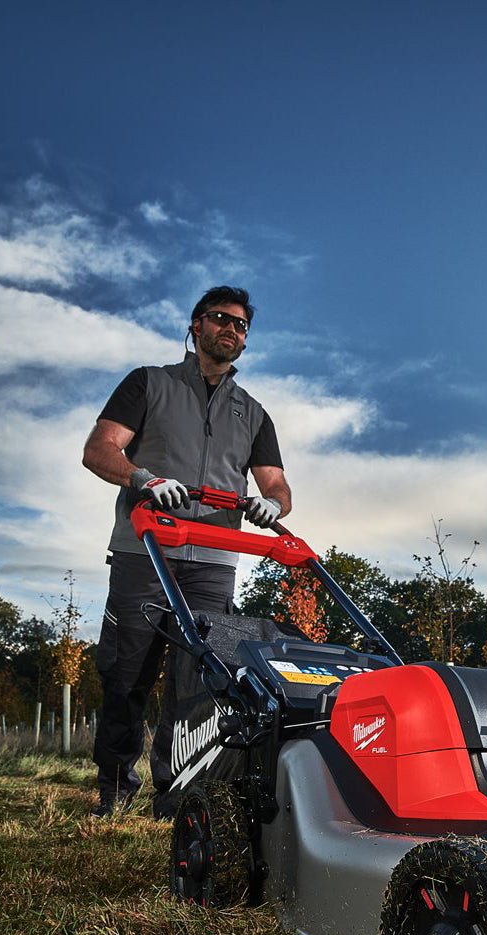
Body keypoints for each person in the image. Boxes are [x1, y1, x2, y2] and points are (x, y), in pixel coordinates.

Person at [82, 285, 291, 817]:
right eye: (221, 318)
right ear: (196, 325)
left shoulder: (254, 413)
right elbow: (100, 449)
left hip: (215, 559)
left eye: (241, 325)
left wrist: (271, 504)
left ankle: (178, 797)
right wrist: (143, 478)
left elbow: (276, 485)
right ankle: (115, 790)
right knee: (127, 671)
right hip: (146, 548)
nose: (231, 329)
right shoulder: (149, 383)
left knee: (202, 684)